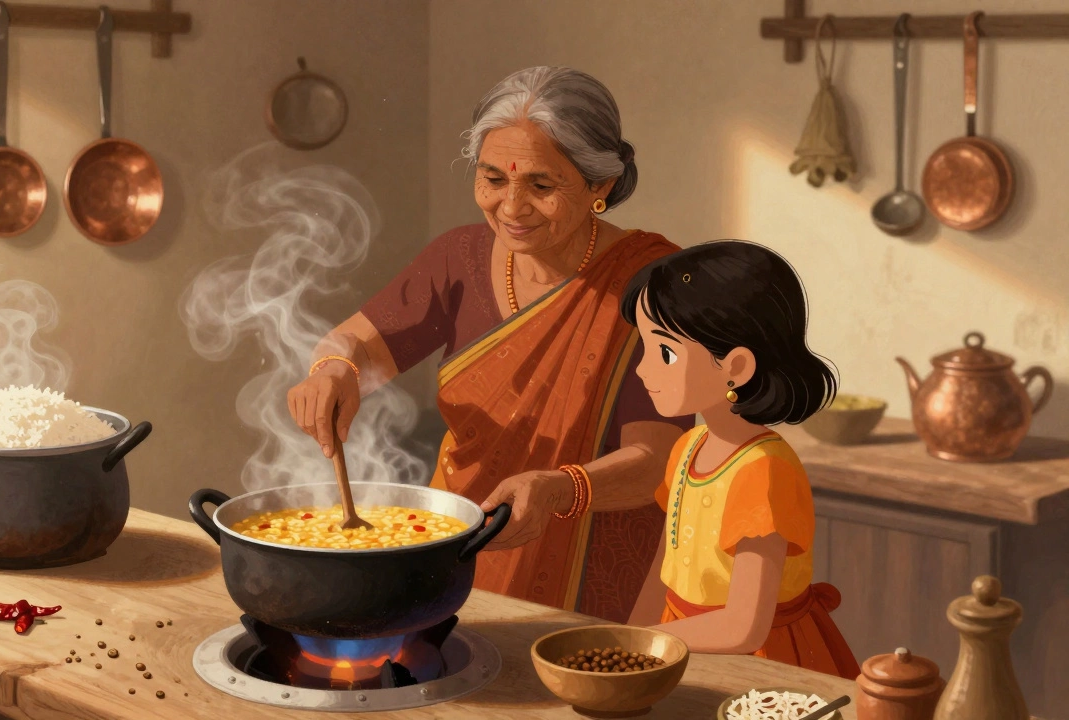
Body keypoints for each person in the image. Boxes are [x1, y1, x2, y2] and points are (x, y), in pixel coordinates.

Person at [287, 66, 693, 621]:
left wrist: (555, 490)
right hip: (458, 541)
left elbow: (658, 461)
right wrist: (334, 368)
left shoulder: (653, 282)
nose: (512, 207)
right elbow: (355, 341)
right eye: (493, 178)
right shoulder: (461, 258)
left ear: (599, 185)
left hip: (594, 565)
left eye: (541, 185)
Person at [621, 240, 860, 679]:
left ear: (737, 366)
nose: (642, 369)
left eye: (665, 352)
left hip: (757, 661)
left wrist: (645, 645)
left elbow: (745, 627)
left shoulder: (764, 472)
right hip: (675, 638)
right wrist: (628, 643)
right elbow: (664, 567)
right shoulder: (688, 446)